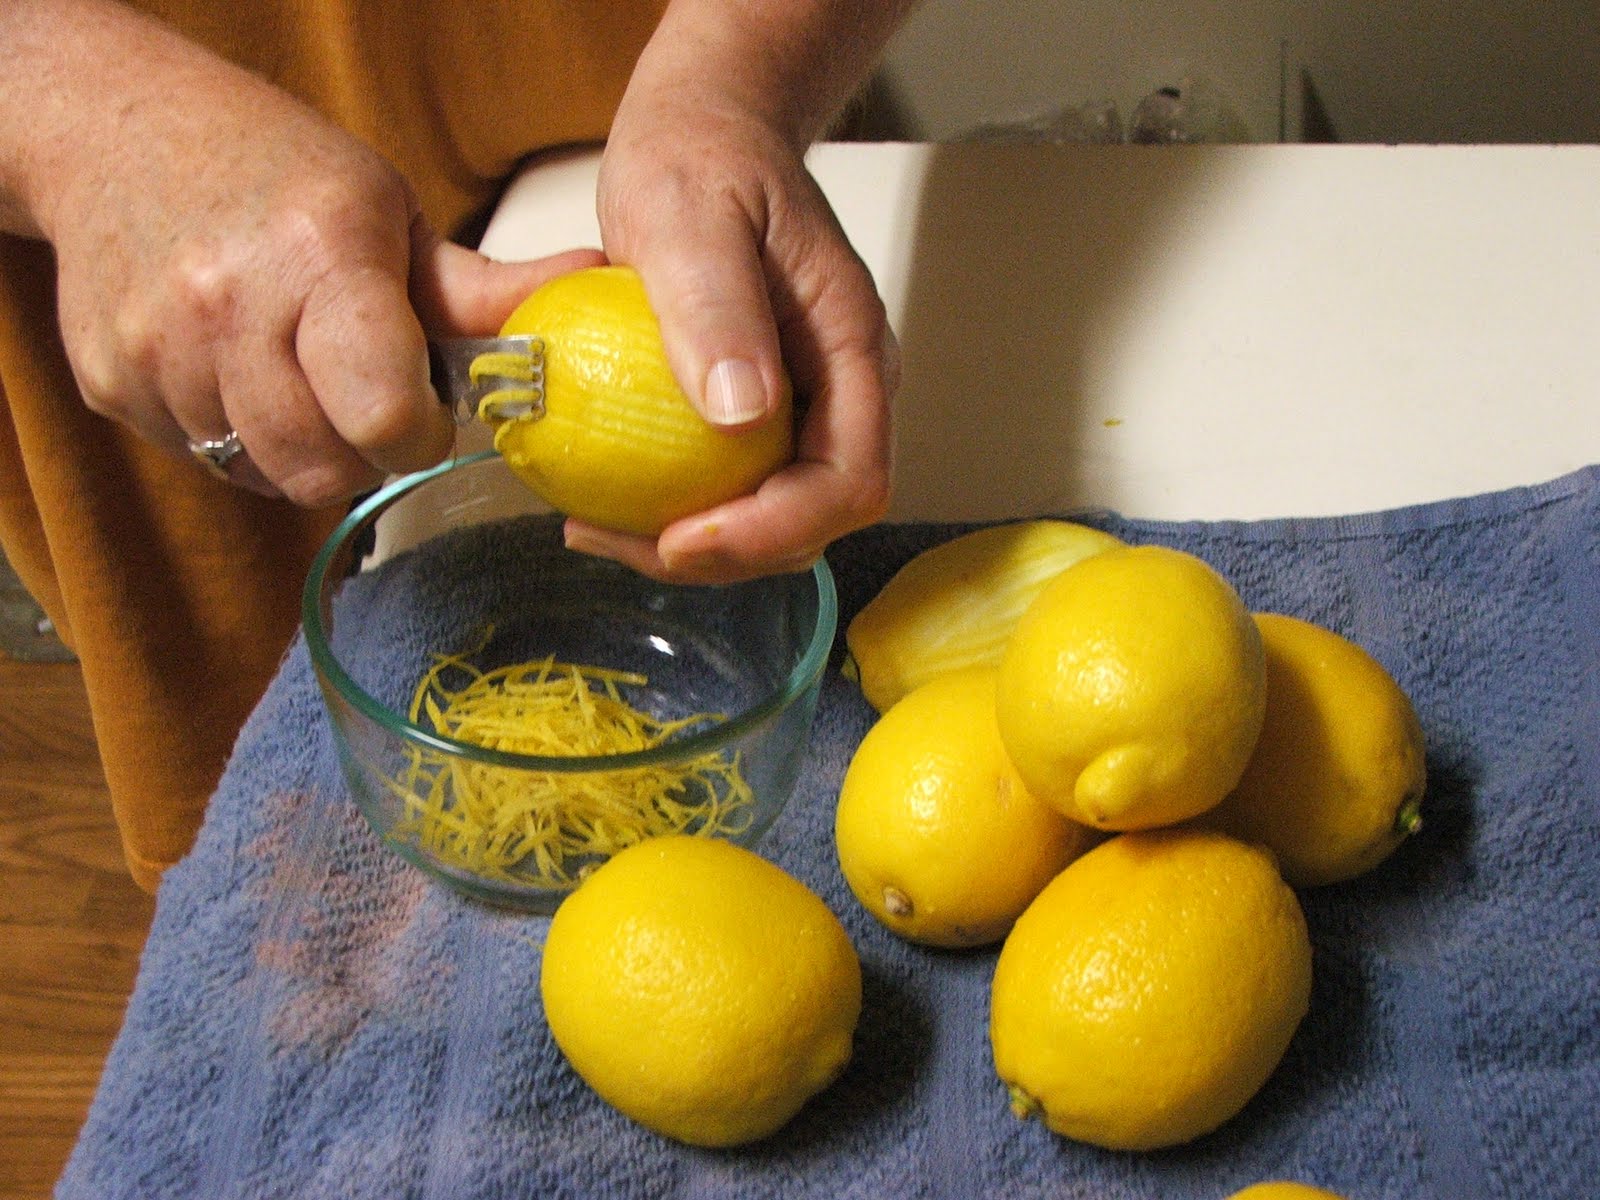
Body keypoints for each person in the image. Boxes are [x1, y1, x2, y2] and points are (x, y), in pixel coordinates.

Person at [0, 0, 909, 891]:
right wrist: (82, 116)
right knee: (265, 838)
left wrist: (734, 80)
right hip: (167, 231)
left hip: (714, 116)